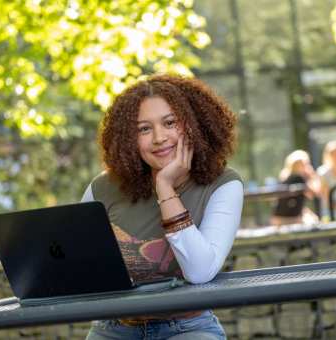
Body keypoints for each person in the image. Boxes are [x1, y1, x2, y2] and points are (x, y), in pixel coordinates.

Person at [81, 74, 243, 340]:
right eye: (144, 129)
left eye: (169, 123)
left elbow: (200, 272)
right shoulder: (103, 188)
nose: (159, 137)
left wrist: (165, 188)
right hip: (113, 329)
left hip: (188, 328)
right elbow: (76, 262)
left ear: (194, 125)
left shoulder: (223, 185)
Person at [270, 150, 319, 226]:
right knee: (314, 224)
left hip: (279, 218)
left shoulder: (286, 177)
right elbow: (313, 193)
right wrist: (312, 175)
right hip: (290, 219)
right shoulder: (298, 178)